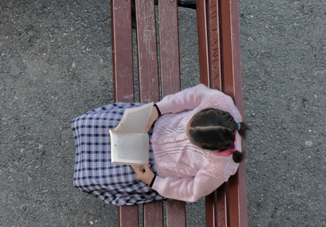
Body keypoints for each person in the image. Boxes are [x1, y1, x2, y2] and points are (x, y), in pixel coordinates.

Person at [72, 83, 245, 204]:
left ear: (210, 149)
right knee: (88, 124)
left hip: (151, 166)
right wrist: (158, 109)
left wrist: (153, 181)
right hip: (151, 125)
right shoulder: (217, 101)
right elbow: (189, 97)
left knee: (90, 177)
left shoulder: (217, 169)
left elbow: (192, 191)